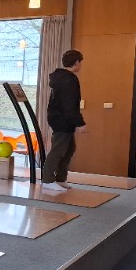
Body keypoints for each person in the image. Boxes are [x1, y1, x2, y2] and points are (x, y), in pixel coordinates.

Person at [42, 50, 86, 191]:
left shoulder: (61, 77)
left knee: (69, 149)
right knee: (58, 150)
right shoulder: (69, 79)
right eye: (80, 62)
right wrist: (79, 122)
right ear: (77, 62)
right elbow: (69, 104)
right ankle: (48, 180)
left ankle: (60, 179)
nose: (81, 65)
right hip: (62, 119)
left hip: (59, 117)